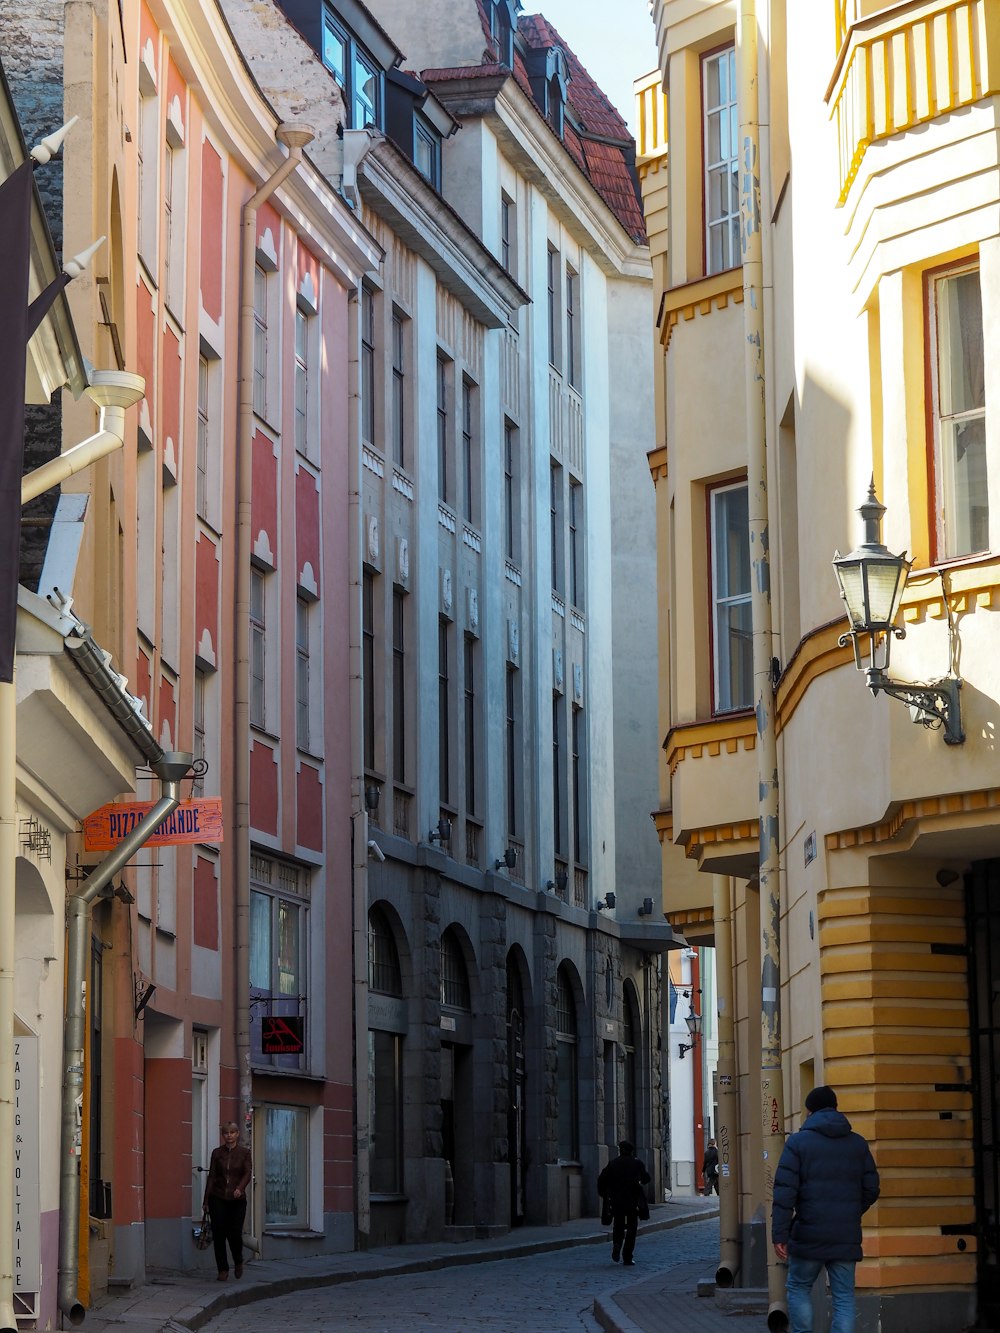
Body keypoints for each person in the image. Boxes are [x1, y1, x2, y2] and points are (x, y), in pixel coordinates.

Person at [771, 1086, 880, 1333]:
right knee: (844, 1297)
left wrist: (780, 1234)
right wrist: (850, 1212)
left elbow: (784, 1193)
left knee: (799, 1287)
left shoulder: (797, 1143)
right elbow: (871, 1188)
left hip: (809, 1233)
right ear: (836, 1108)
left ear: (809, 1111)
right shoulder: (857, 1144)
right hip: (845, 1235)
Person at [203, 1121, 253, 1281]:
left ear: (237, 1134)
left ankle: (238, 1260)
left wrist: (240, 1188)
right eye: (226, 1133)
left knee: (234, 1233)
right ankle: (222, 1269)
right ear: (223, 1135)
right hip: (218, 1197)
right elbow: (212, 1177)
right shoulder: (217, 1153)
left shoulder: (244, 1152)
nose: (229, 1135)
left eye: (232, 1132)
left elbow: (247, 1172)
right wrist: (206, 1200)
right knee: (219, 1233)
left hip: (237, 1199)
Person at [597, 1140, 650, 1266]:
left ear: (620, 1151)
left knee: (618, 1225)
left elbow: (602, 1179)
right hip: (632, 1201)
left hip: (617, 1201)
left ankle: (617, 1244)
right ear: (631, 1151)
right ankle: (627, 1256)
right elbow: (646, 1178)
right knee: (632, 1229)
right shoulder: (636, 1163)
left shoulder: (613, 1164)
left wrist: (604, 1194)